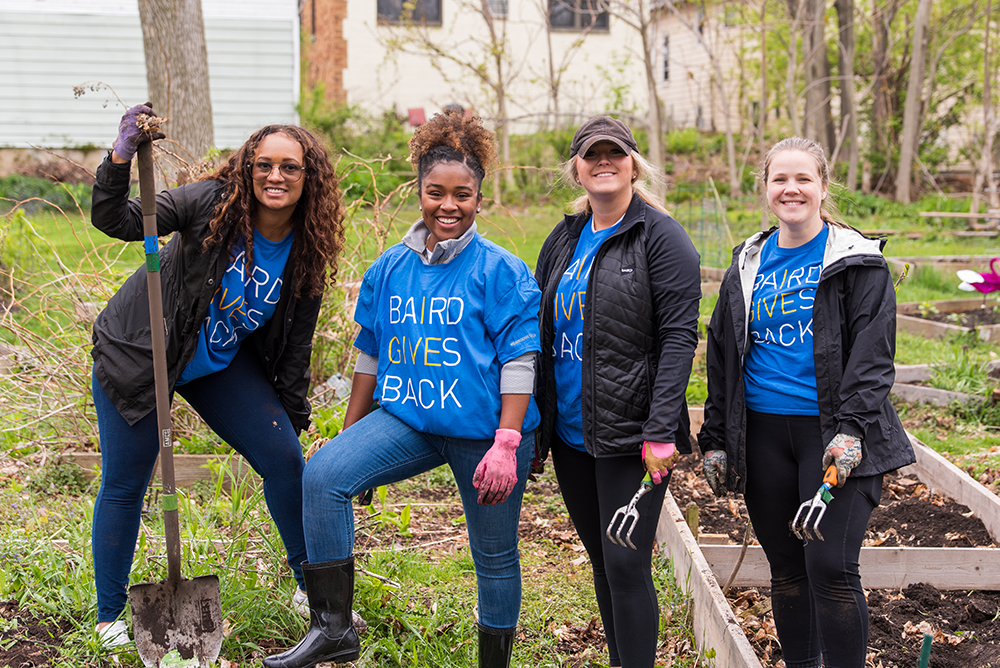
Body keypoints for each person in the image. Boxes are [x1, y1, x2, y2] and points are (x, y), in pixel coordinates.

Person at [262, 109, 542, 668]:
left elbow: (520, 359)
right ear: (419, 192)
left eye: (462, 194)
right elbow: (369, 356)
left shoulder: (500, 270)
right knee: (321, 476)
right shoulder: (391, 267)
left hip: (485, 436)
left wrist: (507, 442)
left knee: (492, 555)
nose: (448, 205)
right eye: (436, 192)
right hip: (410, 420)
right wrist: (350, 435)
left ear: (479, 198)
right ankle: (335, 628)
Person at [89, 104, 346, 647]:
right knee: (125, 482)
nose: (275, 176)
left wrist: (288, 419)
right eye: (264, 164)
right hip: (144, 352)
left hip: (215, 362)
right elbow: (117, 220)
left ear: (309, 176)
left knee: (283, 460)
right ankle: (110, 615)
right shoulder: (211, 203)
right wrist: (119, 157)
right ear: (247, 168)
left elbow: (295, 351)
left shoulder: (307, 247)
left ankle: (310, 587)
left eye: (290, 167)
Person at [698, 136, 916, 668]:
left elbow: (873, 355)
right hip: (764, 436)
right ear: (765, 188)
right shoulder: (747, 264)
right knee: (788, 573)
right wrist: (716, 439)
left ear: (822, 186)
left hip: (833, 436)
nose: (791, 189)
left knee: (831, 571)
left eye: (803, 179)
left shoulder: (856, 262)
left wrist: (852, 430)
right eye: (780, 179)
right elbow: (723, 352)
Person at [533, 116, 701, 668]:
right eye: (591, 154)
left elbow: (680, 337)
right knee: (602, 561)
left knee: (627, 563)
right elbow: (539, 331)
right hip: (573, 431)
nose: (603, 162)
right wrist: (536, 424)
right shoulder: (564, 237)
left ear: (633, 162)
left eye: (615, 153)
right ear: (577, 168)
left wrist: (659, 431)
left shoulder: (660, 234)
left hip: (634, 433)